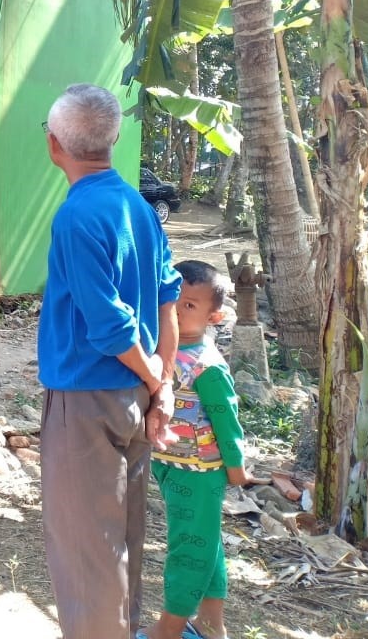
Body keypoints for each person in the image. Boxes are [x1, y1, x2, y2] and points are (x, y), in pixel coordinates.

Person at [39, 83, 181, 639]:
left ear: (55, 146)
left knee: (88, 557)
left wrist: (153, 376)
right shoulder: (139, 209)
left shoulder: (77, 217)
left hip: (86, 403)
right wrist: (162, 385)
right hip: (135, 402)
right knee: (122, 544)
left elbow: (109, 327)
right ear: (114, 139)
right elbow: (168, 301)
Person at [143, 260, 250, 639]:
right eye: (171, 301)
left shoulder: (206, 366)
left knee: (189, 547)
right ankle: (211, 626)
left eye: (189, 305)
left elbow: (225, 417)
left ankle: (168, 629)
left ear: (214, 316)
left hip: (200, 472)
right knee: (207, 542)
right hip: (173, 467)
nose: (174, 310)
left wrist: (236, 467)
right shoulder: (161, 353)